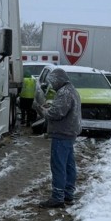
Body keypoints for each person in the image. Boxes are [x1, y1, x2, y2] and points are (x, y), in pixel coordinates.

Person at [33, 67, 81, 208]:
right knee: (68, 165)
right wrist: (52, 106)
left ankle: (58, 197)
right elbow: (62, 109)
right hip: (69, 133)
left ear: (59, 80)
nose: (52, 85)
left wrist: (41, 109)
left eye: (53, 82)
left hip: (62, 134)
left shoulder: (64, 93)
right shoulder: (71, 90)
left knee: (59, 166)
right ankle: (68, 194)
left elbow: (56, 114)